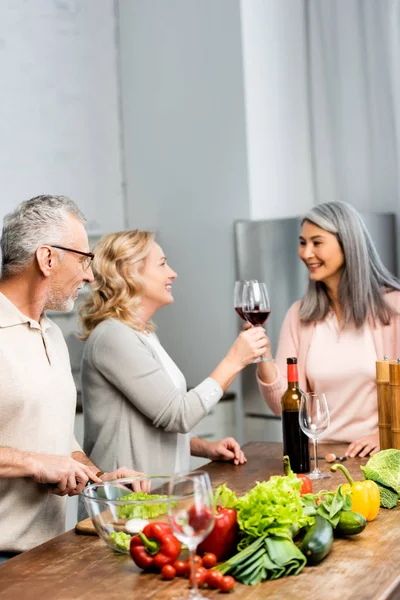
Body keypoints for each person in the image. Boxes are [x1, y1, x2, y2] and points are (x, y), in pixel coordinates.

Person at [0, 195, 141, 560]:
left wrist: (95, 475)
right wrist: (33, 463)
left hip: (44, 551)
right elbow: (40, 457)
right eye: (83, 259)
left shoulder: (51, 334)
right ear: (47, 259)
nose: (90, 275)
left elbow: (56, 437)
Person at [79, 230, 268, 475]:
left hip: (158, 497)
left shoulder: (143, 334)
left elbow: (158, 418)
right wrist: (234, 361)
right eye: (162, 264)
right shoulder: (112, 337)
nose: (173, 273)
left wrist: (205, 447)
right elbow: (178, 414)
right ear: (130, 272)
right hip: (125, 503)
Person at [256, 202, 400, 458]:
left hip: (381, 456)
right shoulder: (299, 316)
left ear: (348, 244)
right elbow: (287, 406)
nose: (306, 253)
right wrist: (264, 356)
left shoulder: (393, 309)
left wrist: (385, 434)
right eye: (302, 243)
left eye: (317, 242)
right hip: (321, 457)